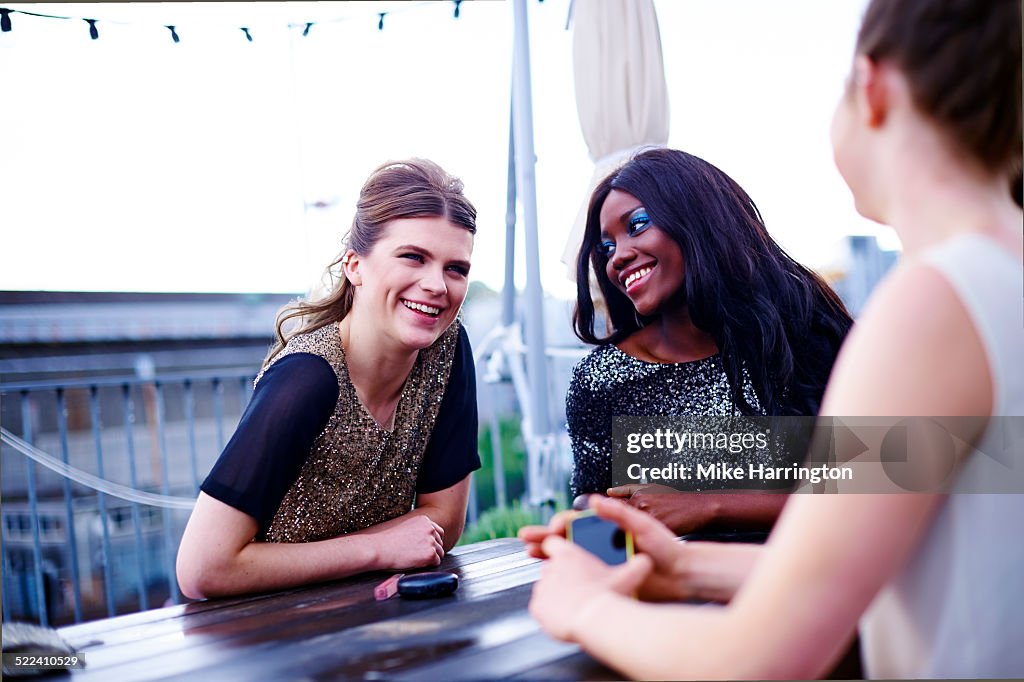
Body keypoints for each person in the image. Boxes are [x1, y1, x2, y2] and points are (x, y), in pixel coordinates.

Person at [522, 0, 1023, 677]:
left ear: (870, 89)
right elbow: (883, 556)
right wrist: (688, 563)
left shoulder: (935, 303)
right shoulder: (998, 278)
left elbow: (754, 661)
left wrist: (582, 606)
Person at [177, 159, 481, 599]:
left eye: (456, 268)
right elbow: (203, 568)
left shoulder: (446, 349)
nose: (437, 284)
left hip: (369, 606)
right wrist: (378, 549)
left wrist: (382, 551)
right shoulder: (307, 378)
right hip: (257, 630)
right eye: (413, 257)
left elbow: (444, 521)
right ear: (355, 266)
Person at [567, 147, 852, 534]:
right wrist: (603, 511)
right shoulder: (602, 379)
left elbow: (877, 479)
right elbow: (590, 497)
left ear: (696, 218)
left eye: (637, 224)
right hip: (669, 589)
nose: (617, 257)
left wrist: (708, 504)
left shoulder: (801, 328)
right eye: (606, 247)